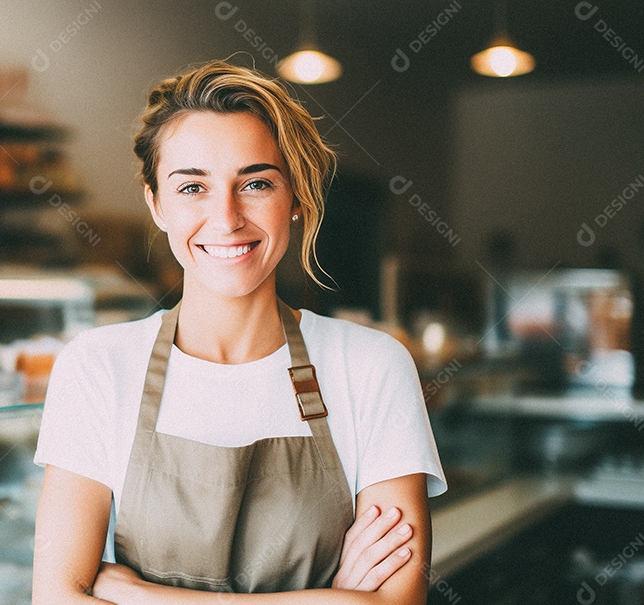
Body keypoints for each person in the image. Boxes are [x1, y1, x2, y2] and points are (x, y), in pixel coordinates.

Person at [32, 60, 447, 604]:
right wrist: (335, 599)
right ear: (155, 203)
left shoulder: (372, 365)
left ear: (295, 198)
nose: (226, 218)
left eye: (254, 183)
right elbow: (56, 599)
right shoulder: (98, 366)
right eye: (191, 188)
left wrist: (140, 595)